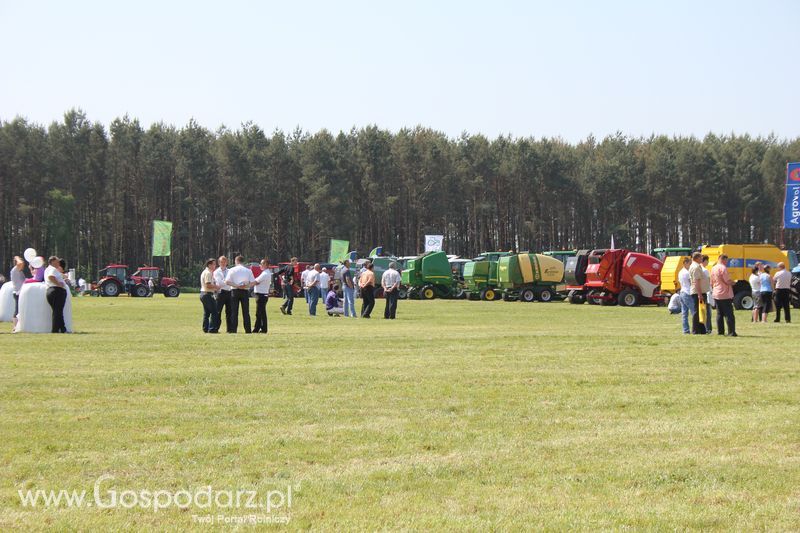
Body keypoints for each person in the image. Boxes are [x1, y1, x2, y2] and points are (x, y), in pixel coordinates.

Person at [225, 255, 256, 333]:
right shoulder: (248, 270)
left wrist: (237, 286)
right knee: (246, 312)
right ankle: (248, 330)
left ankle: (233, 330)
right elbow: (253, 283)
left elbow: (227, 281)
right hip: (245, 291)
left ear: (236, 261)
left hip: (235, 291)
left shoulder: (232, 270)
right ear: (243, 261)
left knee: (234, 312)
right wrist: (245, 286)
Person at [710, 254, 736, 336]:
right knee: (729, 314)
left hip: (716, 293)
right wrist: (734, 282)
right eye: (726, 261)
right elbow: (727, 280)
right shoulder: (723, 268)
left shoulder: (713, 268)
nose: (727, 263)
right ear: (724, 259)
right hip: (724, 293)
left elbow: (711, 282)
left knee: (719, 314)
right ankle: (731, 332)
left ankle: (720, 332)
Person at [44, 255, 68, 333]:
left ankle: (63, 328)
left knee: (57, 311)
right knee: (58, 311)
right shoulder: (53, 269)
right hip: (57, 291)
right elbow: (51, 277)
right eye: (57, 261)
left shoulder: (48, 269)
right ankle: (55, 330)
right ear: (52, 262)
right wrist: (59, 284)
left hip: (51, 291)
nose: (58, 263)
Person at [199, 258, 220, 333]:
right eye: (214, 264)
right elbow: (208, 285)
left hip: (203, 294)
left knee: (207, 313)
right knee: (214, 312)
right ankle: (212, 329)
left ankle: (205, 328)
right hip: (207, 294)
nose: (215, 265)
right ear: (209, 265)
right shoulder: (208, 273)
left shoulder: (205, 272)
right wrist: (216, 287)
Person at [253, 259, 272, 333]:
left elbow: (255, 282)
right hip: (262, 295)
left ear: (266, 265)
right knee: (260, 313)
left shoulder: (265, 273)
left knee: (260, 313)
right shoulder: (265, 273)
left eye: (262, 264)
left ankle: (260, 329)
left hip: (261, 295)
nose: (260, 265)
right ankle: (260, 328)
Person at [214, 256, 233, 332]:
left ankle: (230, 329)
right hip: (220, 293)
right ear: (219, 263)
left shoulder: (230, 271)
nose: (223, 263)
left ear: (227, 262)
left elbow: (231, 281)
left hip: (229, 293)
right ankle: (216, 328)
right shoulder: (216, 272)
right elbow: (219, 283)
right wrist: (227, 282)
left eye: (224, 262)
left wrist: (226, 282)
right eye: (221, 262)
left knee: (229, 312)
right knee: (218, 311)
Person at [688, 252, 705, 334]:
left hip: (696, 291)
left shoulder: (694, 266)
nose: (702, 259)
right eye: (701, 257)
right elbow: (696, 281)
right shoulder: (696, 267)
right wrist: (700, 294)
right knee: (697, 311)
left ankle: (701, 329)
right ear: (697, 258)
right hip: (697, 292)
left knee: (700, 311)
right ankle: (696, 330)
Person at [9, 256, 28, 327]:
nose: (23, 266)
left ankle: (18, 325)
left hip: (19, 292)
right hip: (17, 292)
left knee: (19, 309)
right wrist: (17, 258)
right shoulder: (15, 270)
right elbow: (21, 263)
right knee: (17, 310)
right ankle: (15, 326)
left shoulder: (19, 271)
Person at [677, 258, 693, 334]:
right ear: (685, 263)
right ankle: (695, 329)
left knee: (684, 314)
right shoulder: (687, 273)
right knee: (694, 312)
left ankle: (686, 330)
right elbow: (691, 283)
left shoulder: (680, 272)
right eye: (690, 263)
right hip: (688, 293)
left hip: (682, 292)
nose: (690, 265)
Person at [700, 255, 712, 334]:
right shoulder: (705, 270)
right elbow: (709, 281)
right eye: (707, 260)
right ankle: (708, 328)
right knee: (708, 312)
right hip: (706, 292)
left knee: (702, 311)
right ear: (705, 261)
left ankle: (703, 327)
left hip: (700, 291)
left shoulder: (699, 269)